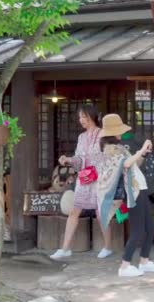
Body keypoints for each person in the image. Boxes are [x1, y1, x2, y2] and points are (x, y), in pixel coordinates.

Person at [95, 114, 154, 277]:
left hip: (139, 188)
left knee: (150, 227)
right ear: (113, 133)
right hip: (133, 192)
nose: (121, 133)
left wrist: (143, 154)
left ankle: (144, 262)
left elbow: (132, 164)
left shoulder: (120, 148)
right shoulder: (111, 150)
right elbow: (125, 164)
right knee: (138, 230)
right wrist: (140, 150)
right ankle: (125, 266)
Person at [50, 105, 112, 260]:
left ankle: (108, 247)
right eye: (79, 117)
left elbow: (110, 157)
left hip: (100, 180)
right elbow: (78, 160)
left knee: (100, 213)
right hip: (84, 180)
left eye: (83, 116)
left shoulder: (103, 134)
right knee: (74, 211)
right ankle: (65, 249)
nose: (81, 120)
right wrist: (68, 160)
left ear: (91, 116)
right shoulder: (81, 137)